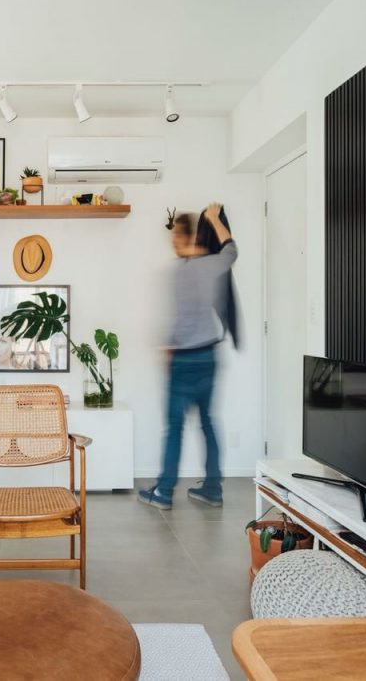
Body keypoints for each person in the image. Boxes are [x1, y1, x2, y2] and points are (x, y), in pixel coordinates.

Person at [138, 202, 237, 510]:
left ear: (187, 237)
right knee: (208, 423)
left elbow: (177, 322)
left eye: (175, 237)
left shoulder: (177, 273)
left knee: (175, 428)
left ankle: (164, 491)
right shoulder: (212, 264)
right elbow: (232, 250)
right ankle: (212, 489)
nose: (173, 243)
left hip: (183, 360)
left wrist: (165, 347)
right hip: (209, 355)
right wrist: (214, 218)